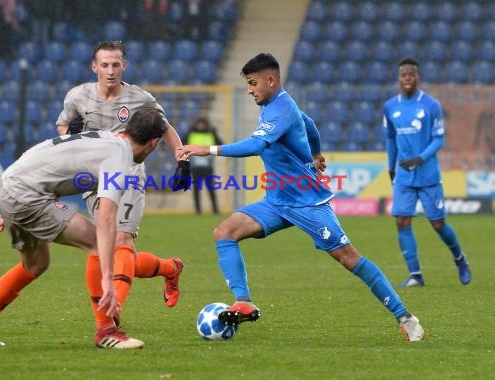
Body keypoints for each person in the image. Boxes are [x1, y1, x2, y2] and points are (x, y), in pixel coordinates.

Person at [177, 53, 425, 342]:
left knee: (348, 258)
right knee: (224, 233)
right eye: (248, 84)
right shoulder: (275, 104)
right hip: (277, 201)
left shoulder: (281, 107)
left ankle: (405, 317)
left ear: (271, 80)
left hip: (307, 202)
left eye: (253, 83)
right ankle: (243, 301)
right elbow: (308, 124)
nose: (249, 89)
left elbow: (257, 144)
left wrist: (207, 150)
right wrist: (317, 151)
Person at [0, 106, 167, 349]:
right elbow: (107, 220)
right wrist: (108, 279)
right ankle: (106, 332)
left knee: (35, 264)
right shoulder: (120, 160)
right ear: (153, 143)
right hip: (25, 194)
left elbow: (46, 155)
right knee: (99, 243)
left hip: (9, 184)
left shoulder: (107, 138)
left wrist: (10, 202)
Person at [56, 41, 189, 322]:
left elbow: (164, 127)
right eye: (104, 64)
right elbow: (63, 127)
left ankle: (112, 312)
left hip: (128, 173)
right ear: (94, 67)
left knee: (122, 239)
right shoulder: (78, 96)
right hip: (93, 178)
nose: (111, 70)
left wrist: (182, 159)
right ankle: (169, 268)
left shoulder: (139, 98)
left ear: (124, 66)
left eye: (116, 64)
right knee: (113, 249)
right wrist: (70, 132)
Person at [383, 57, 472, 287]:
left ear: (417, 77)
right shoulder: (390, 106)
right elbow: (391, 139)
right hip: (404, 175)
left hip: (427, 174)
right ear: (399, 78)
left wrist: (420, 159)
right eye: (403, 75)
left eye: (411, 75)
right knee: (402, 221)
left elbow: (439, 139)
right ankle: (415, 275)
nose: (407, 79)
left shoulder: (431, 105)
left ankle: (460, 259)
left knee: (438, 224)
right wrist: (391, 167)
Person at [182, 116, 223, 214]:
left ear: (206, 124)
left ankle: (215, 210)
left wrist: (215, 134)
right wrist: (188, 131)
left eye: (203, 123)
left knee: (211, 189)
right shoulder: (191, 134)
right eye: (199, 123)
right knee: (196, 189)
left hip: (208, 167)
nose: (201, 126)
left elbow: (221, 144)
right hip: (195, 167)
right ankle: (198, 210)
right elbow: (182, 143)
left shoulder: (211, 134)